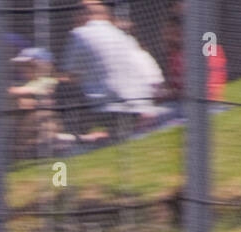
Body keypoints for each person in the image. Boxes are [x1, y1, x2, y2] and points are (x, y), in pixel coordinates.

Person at [61, 0, 165, 136]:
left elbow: (70, 75)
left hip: (108, 109)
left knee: (62, 87)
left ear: (82, 14)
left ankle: (73, 139)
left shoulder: (80, 33)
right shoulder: (124, 36)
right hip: (141, 105)